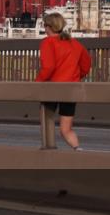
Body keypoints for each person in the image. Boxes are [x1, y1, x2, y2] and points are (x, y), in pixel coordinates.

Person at [35, 12, 91, 150]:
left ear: (48, 27)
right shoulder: (75, 43)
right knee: (66, 129)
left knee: (46, 122)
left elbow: (48, 67)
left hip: (52, 88)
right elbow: (86, 64)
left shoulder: (47, 42)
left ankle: (49, 152)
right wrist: (76, 76)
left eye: (44, 25)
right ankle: (78, 150)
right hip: (71, 88)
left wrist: (37, 82)